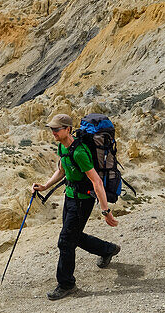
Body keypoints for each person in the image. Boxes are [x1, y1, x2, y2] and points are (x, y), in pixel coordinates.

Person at [32, 114, 120, 300]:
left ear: (68, 129)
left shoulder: (79, 152)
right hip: (70, 197)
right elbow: (62, 169)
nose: (53, 132)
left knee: (65, 241)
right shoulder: (62, 146)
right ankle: (107, 249)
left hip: (82, 201)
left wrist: (106, 212)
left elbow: (96, 182)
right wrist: (45, 186)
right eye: (52, 129)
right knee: (73, 235)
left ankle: (66, 284)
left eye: (57, 129)